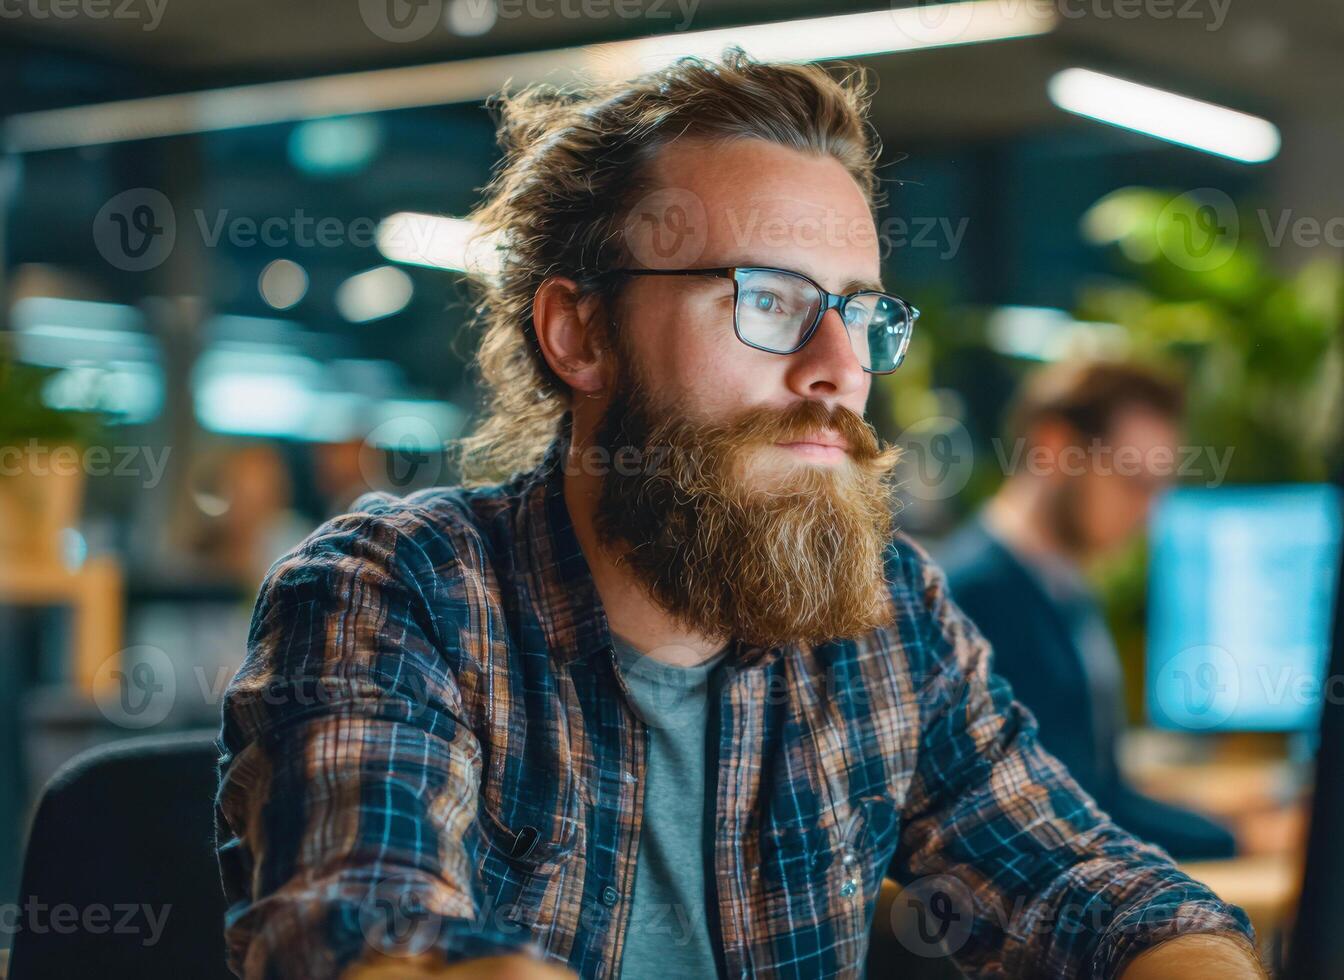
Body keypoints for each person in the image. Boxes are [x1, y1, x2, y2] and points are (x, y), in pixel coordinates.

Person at [214, 51, 1264, 980]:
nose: (839, 369)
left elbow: (1087, 884)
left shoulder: (886, 612)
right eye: (768, 299)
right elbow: (364, 930)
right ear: (579, 332)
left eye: (859, 311)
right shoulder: (405, 590)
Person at [937, 361, 1238, 861]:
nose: (1147, 512)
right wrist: (1236, 838)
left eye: (1159, 487)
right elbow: (1061, 818)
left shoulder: (1061, 589)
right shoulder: (972, 600)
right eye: (1133, 480)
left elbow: (1095, 788)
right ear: (1054, 449)